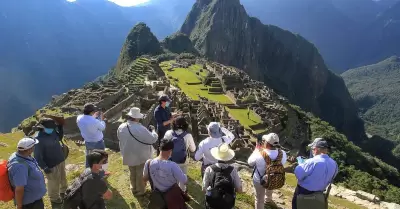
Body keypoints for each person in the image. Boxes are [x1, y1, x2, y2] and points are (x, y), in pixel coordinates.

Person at [117, 107, 158, 196]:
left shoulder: (121, 126)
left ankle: (133, 187)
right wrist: (154, 131)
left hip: (128, 153)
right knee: (140, 173)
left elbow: (119, 138)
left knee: (132, 172)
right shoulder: (140, 128)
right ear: (136, 118)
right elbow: (152, 139)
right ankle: (140, 191)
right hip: (140, 155)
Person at [292, 140, 338, 209]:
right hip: (319, 194)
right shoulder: (334, 164)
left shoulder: (312, 161)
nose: (312, 151)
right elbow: (332, 177)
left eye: (313, 149)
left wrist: (301, 165)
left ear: (316, 149)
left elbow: (298, 174)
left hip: (304, 192)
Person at [33, 118, 67, 206]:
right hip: (51, 164)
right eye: (50, 128)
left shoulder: (52, 131)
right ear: (42, 127)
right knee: (53, 182)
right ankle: (54, 198)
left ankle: (64, 191)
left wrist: (60, 128)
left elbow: (59, 138)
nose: (51, 129)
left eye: (53, 128)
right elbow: (37, 156)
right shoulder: (38, 139)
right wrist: (44, 167)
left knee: (63, 178)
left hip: (60, 159)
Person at [248, 133, 287, 209]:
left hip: (259, 180)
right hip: (274, 177)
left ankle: (263, 204)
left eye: (264, 141)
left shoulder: (258, 153)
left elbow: (250, 163)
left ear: (267, 143)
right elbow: (283, 163)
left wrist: (257, 148)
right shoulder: (282, 153)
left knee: (259, 199)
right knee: (270, 183)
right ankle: (268, 199)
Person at [143, 140, 188, 206]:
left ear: (159, 149)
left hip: (157, 197)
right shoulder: (173, 165)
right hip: (172, 197)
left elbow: (144, 179)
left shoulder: (149, 163)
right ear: (170, 151)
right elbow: (184, 181)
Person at [7, 138, 46, 209]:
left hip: (34, 200)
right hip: (30, 204)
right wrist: (19, 206)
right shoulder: (19, 166)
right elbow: (19, 189)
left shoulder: (23, 156)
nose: (34, 147)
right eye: (33, 146)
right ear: (29, 150)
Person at [203, 143, 243, 209]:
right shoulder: (233, 170)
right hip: (228, 203)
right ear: (227, 157)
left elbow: (204, 189)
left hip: (213, 203)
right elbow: (239, 190)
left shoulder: (209, 169)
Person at [163, 116, 196, 192]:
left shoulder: (168, 133)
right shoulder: (188, 135)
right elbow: (193, 149)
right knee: (182, 176)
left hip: (170, 159)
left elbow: (164, 146)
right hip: (183, 161)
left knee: (171, 176)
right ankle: (182, 190)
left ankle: (171, 191)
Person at [76, 103, 108, 173]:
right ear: (91, 112)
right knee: (103, 157)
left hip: (88, 142)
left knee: (89, 157)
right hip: (98, 142)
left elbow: (87, 120)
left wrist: (93, 116)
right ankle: (103, 172)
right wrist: (102, 120)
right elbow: (102, 128)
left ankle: (87, 172)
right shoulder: (95, 121)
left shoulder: (79, 118)